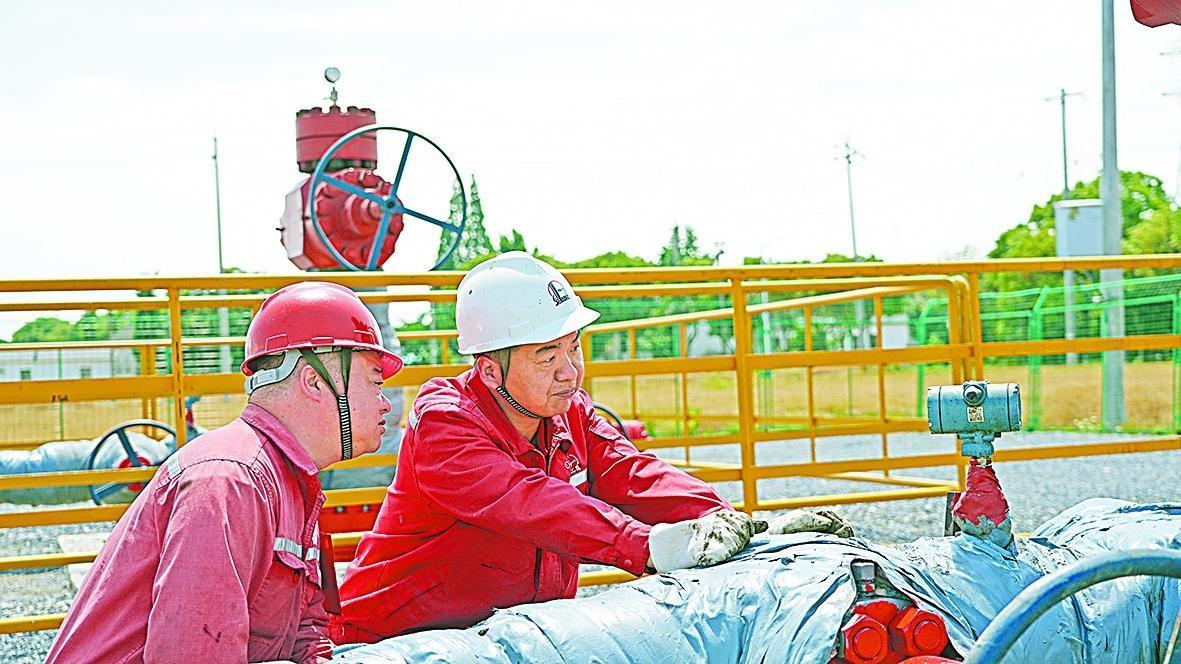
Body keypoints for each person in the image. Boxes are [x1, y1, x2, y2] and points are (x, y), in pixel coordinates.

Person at [331, 252, 851, 644]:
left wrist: (733, 524)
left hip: (506, 642)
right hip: (395, 646)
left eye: (573, 347)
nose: (570, 369)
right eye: (546, 355)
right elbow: (528, 500)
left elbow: (632, 471)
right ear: (489, 369)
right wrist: (648, 546)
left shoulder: (568, 411)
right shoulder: (444, 424)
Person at [46, 281, 402, 664]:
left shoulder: (291, 484)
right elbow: (192, 655)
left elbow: (307, 630)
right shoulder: (230, 481)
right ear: (315, 382)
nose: (384, 403)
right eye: (375, 382)